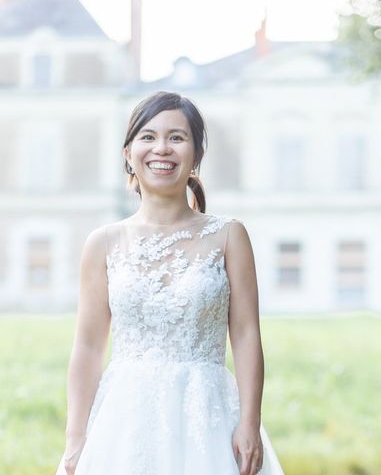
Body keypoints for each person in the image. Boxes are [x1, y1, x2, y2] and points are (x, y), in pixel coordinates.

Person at [55, 91, 284, 474]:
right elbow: (89, 346)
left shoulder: (229, 235)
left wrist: (249, 421)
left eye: (177, 137)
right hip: (124, 421)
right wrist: (76, 438)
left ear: (197, 156)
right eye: (148, 136)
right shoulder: (103, 243)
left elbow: (245, 334)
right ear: (128, 153)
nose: (162, 147)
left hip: (206, 417)